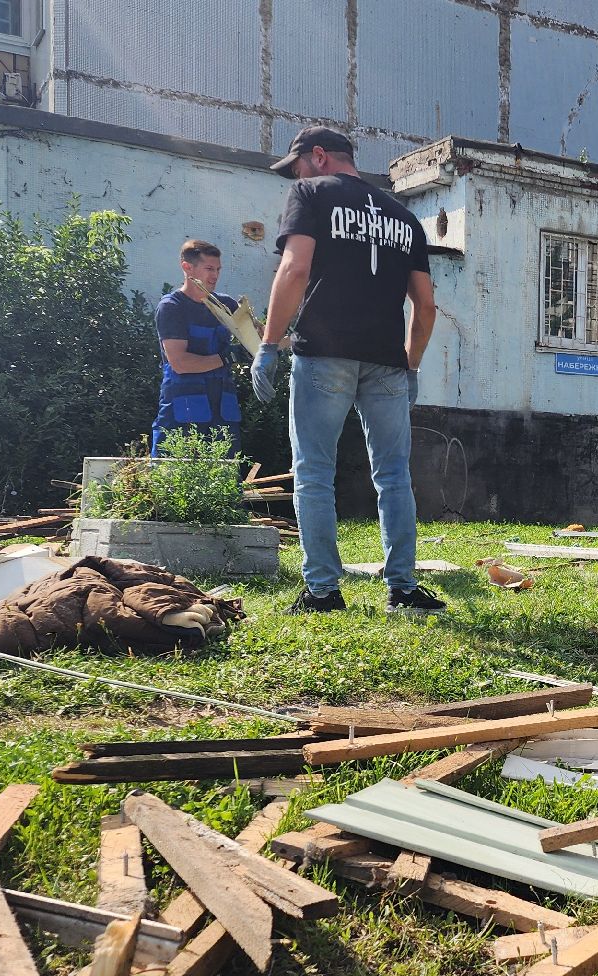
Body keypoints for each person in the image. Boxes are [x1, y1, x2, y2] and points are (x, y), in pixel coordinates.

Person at [250, 126, 445, 616]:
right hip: (387, 363)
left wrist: (269, 344)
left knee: (315, 472)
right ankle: (403, 590)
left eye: (297, 167)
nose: (295, 177)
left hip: (324, 354)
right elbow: (425, 306)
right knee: (394, 475)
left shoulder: (310, 194)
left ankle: (322, 592)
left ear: (318, 156)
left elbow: (294, 270)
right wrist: (412, 365)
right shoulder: (404, 217)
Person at [150, 240, 242, 456]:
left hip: (224, 409)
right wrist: (228, 357)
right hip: (183, 409)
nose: (215, 275)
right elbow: (180, 363)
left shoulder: (226, 305)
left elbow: (258, 336)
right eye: (209, 268)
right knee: (173, 473)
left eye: (218, 269)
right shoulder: (172, 307)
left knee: (226, 473)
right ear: (187, 267)